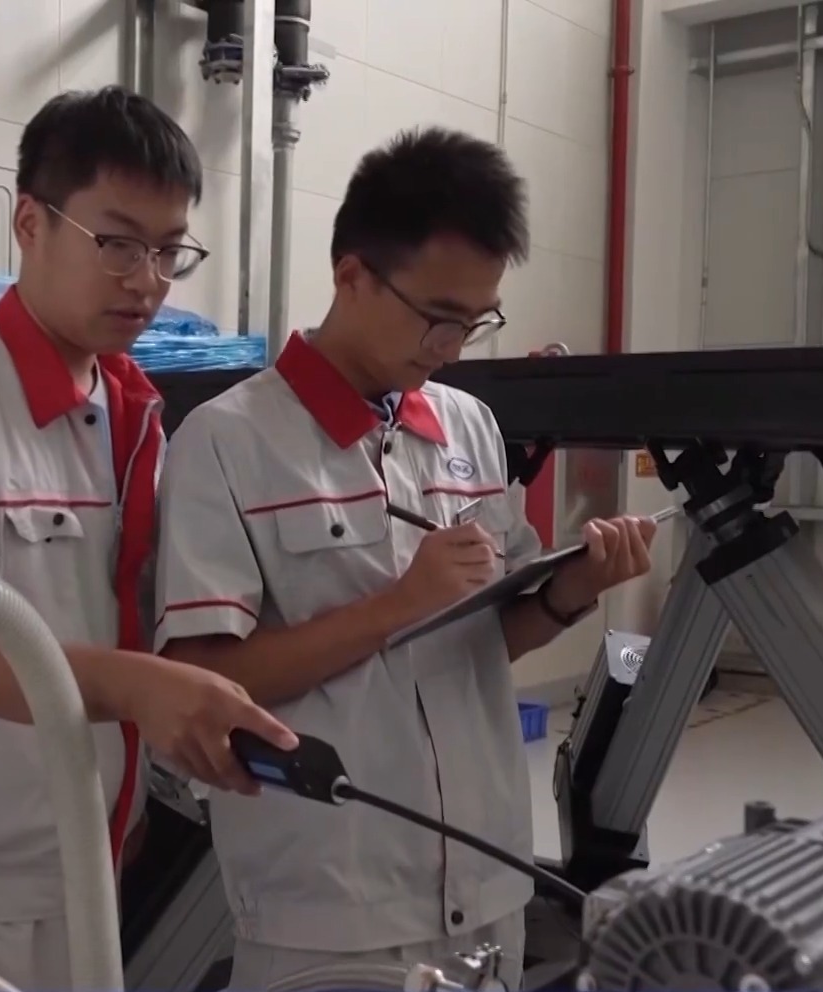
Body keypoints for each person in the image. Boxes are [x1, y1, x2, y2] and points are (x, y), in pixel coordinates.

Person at [154, 127, 658, 990]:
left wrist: (571, 590)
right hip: (332, 907)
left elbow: (479, 643)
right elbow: (205, 686)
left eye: (476, 321)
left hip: (489, 877)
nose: (453, 346)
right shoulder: (229, 443)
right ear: (351, 275)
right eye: (438, 317)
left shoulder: (468, 428)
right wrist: (396, 605)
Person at [0, 86, 297, 991]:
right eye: (118, 243)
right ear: (30, 223)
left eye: (169, 250)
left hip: (90, 861)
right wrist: (141, 688)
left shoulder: (128, 412)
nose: (147, 280)